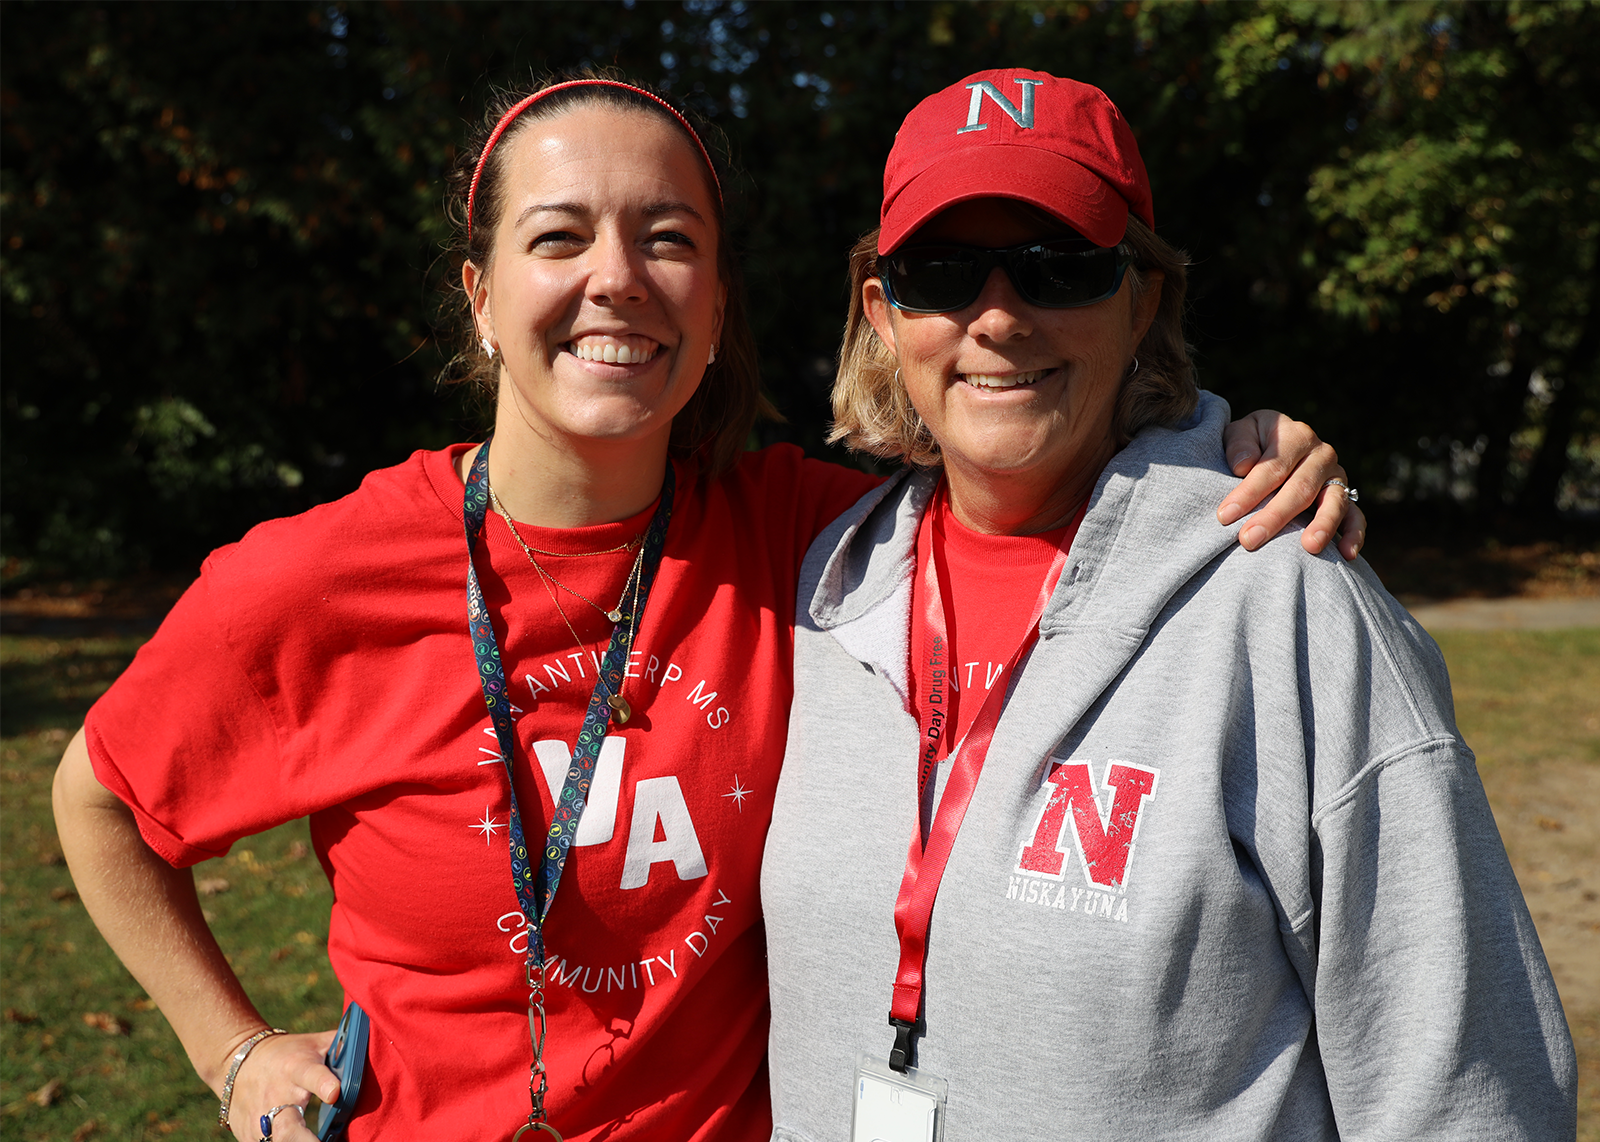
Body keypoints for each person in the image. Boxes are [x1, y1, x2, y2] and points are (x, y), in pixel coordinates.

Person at [52, 73, 1363, 1142]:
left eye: (667, 238)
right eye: (559, 236)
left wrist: (1219, 444)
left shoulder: (811, 536)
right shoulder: (315, 580)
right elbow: (103, 797)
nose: (617, 277)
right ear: (481, 296)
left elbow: (1016, 438)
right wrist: (232, 1051)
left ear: (717, 299)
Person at [762, 68, 1575, 1141]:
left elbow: (1465, 1092)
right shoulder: (818, 590)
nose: (997, 316)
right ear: (883, 310)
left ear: (1144, 299)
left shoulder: (1290, 602)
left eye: (1060, 269)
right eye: (943, 271)